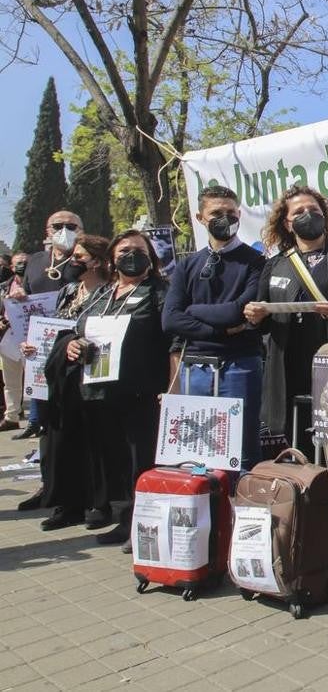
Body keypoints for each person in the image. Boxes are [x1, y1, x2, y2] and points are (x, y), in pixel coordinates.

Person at [243, 185, 328, 457]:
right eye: (299, 211)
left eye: (313, 210)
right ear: (287, 223)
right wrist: (255, 316)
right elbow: (262, 318)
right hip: (290, 369)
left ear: (324, 215)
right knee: (299, 445)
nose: (307, 215)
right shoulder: (275, 264)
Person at [68, 231, 170, 548]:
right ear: (112, 257)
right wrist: (73, 344)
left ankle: (145, 527)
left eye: (139, 250)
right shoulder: (103, 294)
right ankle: (124, 521)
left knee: (142, 460)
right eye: (124, 250)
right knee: (118, 462)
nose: (131, 255)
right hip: (102, 392)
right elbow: (79, 327)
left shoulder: (158, 291)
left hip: (141, 392)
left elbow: (171, 339)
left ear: (150, 257)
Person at [163, 186, 264, 472]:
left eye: (230, 213)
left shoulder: (256, 262)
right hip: (194, 367)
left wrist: (192, 310)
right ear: (200, 217)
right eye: (216, 213)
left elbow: (237, 312)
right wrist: (219, 330)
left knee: (240, 448)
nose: (224, 218)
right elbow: (170, 320)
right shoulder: (187, 265)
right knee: (199, 450)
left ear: (239, 215)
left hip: (239, 364)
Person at [30, 235, 115, 530]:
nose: (72, 263)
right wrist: (35, 347)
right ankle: (68, 504)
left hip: (90, 374)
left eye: (79, 257)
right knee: (60, 441)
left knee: (92, 441)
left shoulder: (109, 293)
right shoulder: (67, 291)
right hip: (61, 378)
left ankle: (98, 503)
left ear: (99, 261)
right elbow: (54, 328)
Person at [17, 212, 88, 439]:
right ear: (47, 230)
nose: (64, 230)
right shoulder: (36, 260)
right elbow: (27, 294)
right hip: (41, 336)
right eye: (57, 225)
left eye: (71, 225)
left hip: (74, 334)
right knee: (41, 386)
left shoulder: (86, 260)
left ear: (81, 230)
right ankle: (38, 425)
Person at [2, 252, 31, 436]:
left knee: (34, 380)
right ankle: (11, 416)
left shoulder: (35, 284)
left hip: (31, 338)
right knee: (10, 381)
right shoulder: (4, 288)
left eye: (25, 262)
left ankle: (37, 419)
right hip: (9, 339)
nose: (22, 265)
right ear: (12, 267)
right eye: (18, 263)